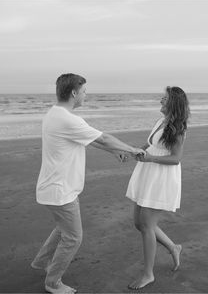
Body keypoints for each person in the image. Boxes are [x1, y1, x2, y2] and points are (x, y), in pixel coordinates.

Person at [32, 74, 145, 294]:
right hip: (60, 192)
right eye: (84, 91)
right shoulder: (68, 119)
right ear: (74, 93)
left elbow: (90, 139)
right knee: (73, 237)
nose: (86, 94)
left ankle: (41, 262)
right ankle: (52, 282)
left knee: (63, 229)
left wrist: (116, 152)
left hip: (53, 188)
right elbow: (103, 138)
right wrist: (132, 150)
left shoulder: (55, 114)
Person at [125, 86, 190, 290]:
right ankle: (173, 246)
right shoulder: (160, 121)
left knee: (146, 225)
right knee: (139, 223)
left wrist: (151, 158)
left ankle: (148, 274)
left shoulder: (178, 127)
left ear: (173, 103)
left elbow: (176, 158)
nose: (161, 101)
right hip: (148, 175)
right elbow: (149, 144)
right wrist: (130, 151)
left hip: (162, 178)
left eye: (165, 98)